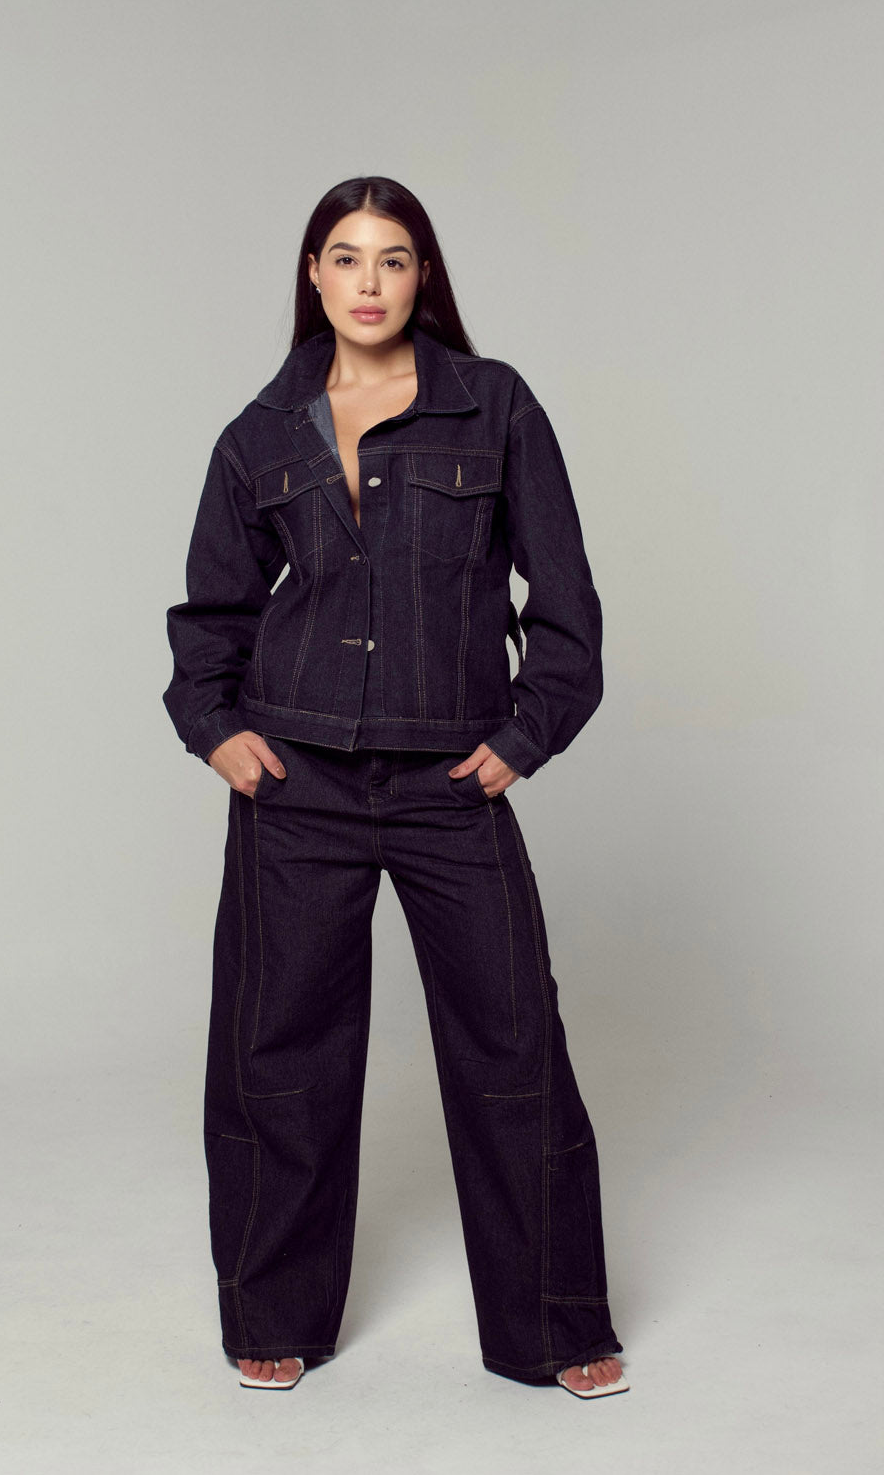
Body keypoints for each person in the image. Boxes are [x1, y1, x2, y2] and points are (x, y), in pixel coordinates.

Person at [162, 176, 629, 1399]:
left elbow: (566, 602)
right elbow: (210, 617)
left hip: (450, 781)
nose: (368, 282)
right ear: (313, 275)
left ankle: (553, 1326)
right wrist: (218, 732)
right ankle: (274, 1311)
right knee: (278, 1052)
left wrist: (526, 734)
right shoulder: (261, 435)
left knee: (513, 1044)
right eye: (345, 257)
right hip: (297, 779)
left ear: (425, 277)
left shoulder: (496, 407)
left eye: (394, 258)